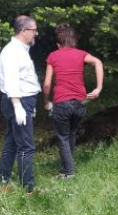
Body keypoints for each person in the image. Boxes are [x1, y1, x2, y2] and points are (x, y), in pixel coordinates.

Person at [42, 23, 104, 178]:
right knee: (71, 134)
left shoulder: (53, 56)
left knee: (62, 137)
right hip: (80, 103)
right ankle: (65, 168)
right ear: (73, 41)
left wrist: (46, 102)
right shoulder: (81, 54)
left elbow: (47, 84)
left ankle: (69, 173)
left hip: (62, 103)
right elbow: (98, 62)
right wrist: (98, 88)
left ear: (58, 44)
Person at [0, 15, 42, 193]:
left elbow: (25, 79)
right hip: (18, 102)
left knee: (12, 142)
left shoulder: (21, 49)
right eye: (34, 30)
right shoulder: (12, 52)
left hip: (24, 101)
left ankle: (2, 180)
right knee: (26, 146)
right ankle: (28, 188)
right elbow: (11, 81)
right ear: (23, 31)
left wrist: (31, 103)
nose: (36, 34)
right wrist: (18, 107)